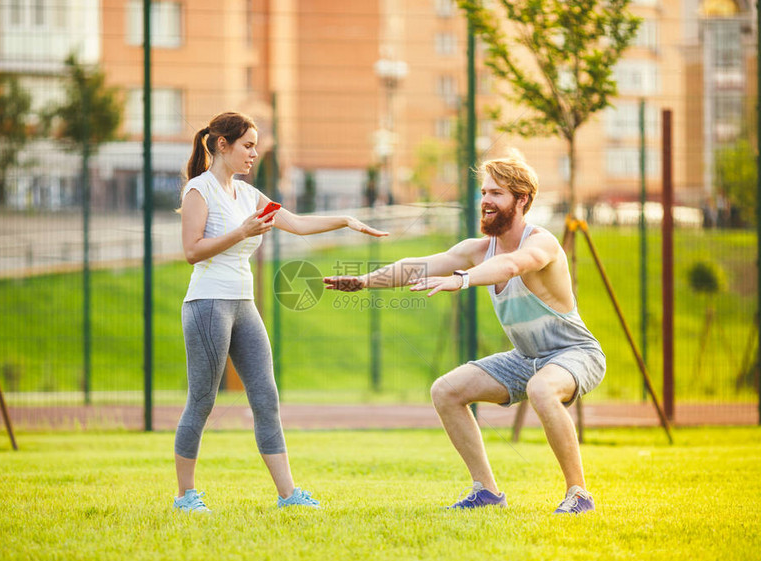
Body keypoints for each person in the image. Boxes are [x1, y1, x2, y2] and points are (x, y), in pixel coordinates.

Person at [323, 151, 605, 514]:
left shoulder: (542, 243)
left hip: (575, 353)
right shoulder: (477, 250)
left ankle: (579, 494)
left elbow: (514, 264)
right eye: (484, 192)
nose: (486, 200)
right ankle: (487, 492)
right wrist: (363, 281)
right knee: (446, 391)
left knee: (541, 389)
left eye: (497, 194)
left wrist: (463, 280)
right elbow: (416, 267)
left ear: (522, 200)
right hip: (526, 358)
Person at [174, 111, 387, 512]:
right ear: (223, 145)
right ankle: (185, 496)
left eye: (257, 147)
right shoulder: (198, 192)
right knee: (202, 399)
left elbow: (298, 224)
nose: (254, 154)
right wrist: (241, 232)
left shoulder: (250, 196)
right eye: (248, 146)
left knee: (266, 396)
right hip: (207, 304)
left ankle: (288, 495)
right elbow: (191, 251)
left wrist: (346, 220)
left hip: (243, 305)